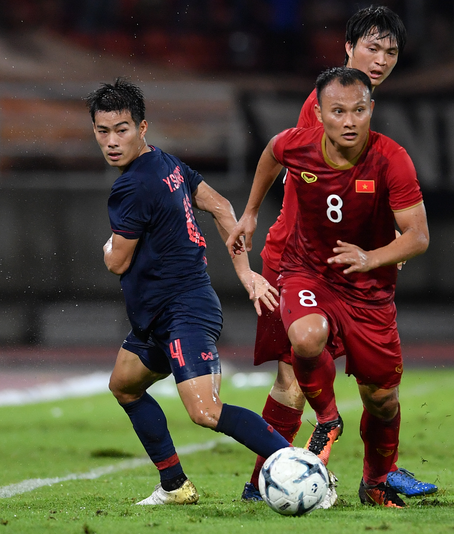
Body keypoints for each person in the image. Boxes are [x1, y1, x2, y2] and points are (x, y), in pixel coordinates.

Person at [238, 4, 437, 503]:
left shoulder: (354, 104)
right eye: (372, 47)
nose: (382, 59)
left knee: (366, 388)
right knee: (293, 370)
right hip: (300, 254)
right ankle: (266, 480)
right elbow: (302, 168)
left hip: (340, 257)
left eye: (391, 52)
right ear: (348, 47)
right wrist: (253, 216)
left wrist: (385, 246)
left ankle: (363, 473)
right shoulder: (328, 106)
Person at [86, 78, 291, 506]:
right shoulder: (166, 163)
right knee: (124, 386)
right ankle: (175, 486)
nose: (111, 141)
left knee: (205, 411)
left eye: (121, 129)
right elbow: (221, 207)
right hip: (159, 315)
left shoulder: (131, 187)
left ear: (143, 128)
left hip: (182, 311)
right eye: (102, 131)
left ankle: (304, 469)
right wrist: (244, 272)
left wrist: (106, 247)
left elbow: (117, 262)